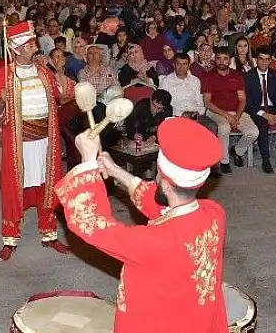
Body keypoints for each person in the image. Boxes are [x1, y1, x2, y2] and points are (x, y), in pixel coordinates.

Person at [55, 118, 227, 333]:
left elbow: (90, 222)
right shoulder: (214, 214)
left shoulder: (153, 243)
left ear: (163, 180)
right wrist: (116, 171)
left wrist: (88, 162)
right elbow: (159, 203)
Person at [0, 20, 73, 261]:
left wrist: (60, 73)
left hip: (46, 141)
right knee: (16, 190)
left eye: (33, 43)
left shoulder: (44, 71)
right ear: (18, 48)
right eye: (30, 43)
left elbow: (65, 94)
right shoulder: (5, 74)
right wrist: (1, 100)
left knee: (48, 187)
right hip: (19, 144)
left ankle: (50, 234)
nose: (34, 46)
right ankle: (10, 238)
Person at [242, 46, 276, 173]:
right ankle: (266, 160)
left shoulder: (275, 74)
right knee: (263, 125)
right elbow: (248, 103)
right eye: (261, 59)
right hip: (256, 109)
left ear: (271, 60)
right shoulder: (248, 76)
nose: (264, 62)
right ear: (256, 59)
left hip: (273, 109)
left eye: (267, 59)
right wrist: (265, 115)